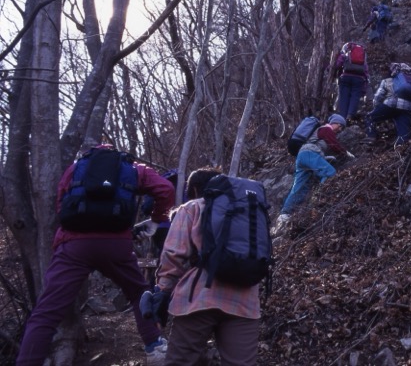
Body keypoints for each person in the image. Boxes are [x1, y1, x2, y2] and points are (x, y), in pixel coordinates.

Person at [16, 145, 175, 366]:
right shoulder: (134, 169)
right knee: (140, 293)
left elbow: (61, 203)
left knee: (47, 311)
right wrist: (157, 219)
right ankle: (155, 348)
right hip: (116, 243)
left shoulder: (76, 168)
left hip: (74, 244)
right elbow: (166, 189)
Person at [154, 167, 262, 366]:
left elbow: (173, 254)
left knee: (180, 361)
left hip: (199, 298)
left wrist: (162, 291)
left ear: (194, 190)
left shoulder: (192, 207)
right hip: (245, 301)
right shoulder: (250, 211)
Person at [277, 114, 354, 226]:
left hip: (302, 156)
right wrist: (346, 153)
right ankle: (320, 200)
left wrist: (326, 158)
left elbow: (316, 146)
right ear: (335, 123)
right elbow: (334, 145)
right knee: (330, 173)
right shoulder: (326, 129)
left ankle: (284, 214)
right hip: (309, 154)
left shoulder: (320, 131)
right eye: (340, 126)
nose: (340, 130)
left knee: (300, 187)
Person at [365, 63, 411, 146]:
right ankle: (401, 149)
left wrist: (376, 108)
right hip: (408, 107)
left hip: (392, 104)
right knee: (404, 134)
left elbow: (378, 97)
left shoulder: (387, 81)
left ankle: (371, 138)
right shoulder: (410, 81)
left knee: (370, 117)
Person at [332, 42, 370, 123]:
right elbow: (366, 70)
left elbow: (338, 64)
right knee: (355, 97)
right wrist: (365, 85)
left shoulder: (346, 52)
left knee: (343, 97)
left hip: (345, 77)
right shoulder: (362, 56)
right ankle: (350, 116)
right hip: (359, 78)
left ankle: (342, 118)